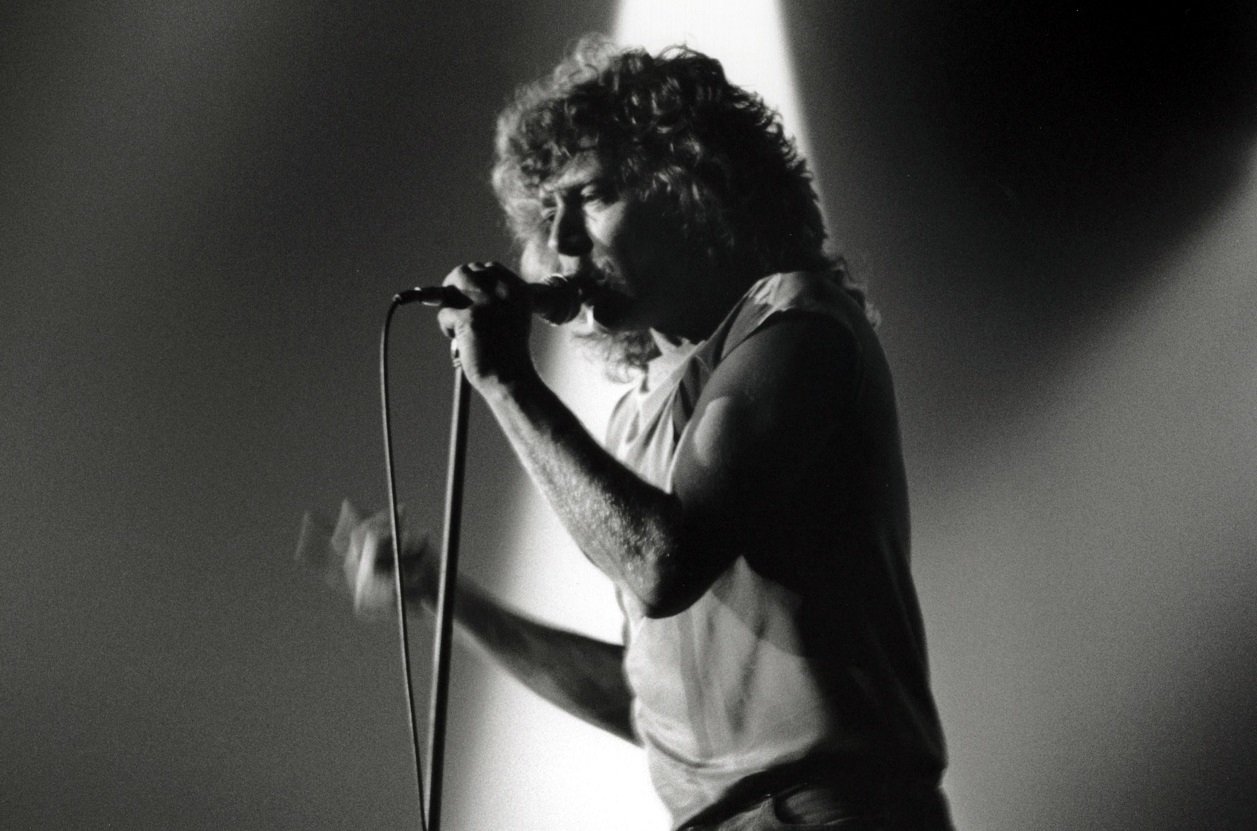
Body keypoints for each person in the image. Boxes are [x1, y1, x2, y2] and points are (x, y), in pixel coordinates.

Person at [323, 38, 953, 830]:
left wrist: (508, 379)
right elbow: (656, 703)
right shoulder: (641, 411)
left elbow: (663, 561)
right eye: (546, 212)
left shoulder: (795, 320)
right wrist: (448, 600)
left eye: (589, 195)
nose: (561, 242)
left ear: (691, 184)